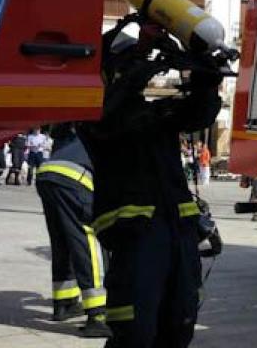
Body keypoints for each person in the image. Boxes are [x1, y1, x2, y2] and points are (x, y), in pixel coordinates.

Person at [82, 23, 221, 347]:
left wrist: (203, 75)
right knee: (135, 329)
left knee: (180, 322)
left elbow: (196, 113)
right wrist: (148, 61)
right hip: (136, 232)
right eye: (128, 59)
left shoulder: (153, 102)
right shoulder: (97, 107)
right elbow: (116, 113)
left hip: (177, 228)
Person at [35, 122, 110, 337]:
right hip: (74, 179)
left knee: (62, 240)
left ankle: (64, 304)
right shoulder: (114, 133)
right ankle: (98, 314)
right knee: (88, 240)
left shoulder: (75, 132)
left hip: (47, 174)